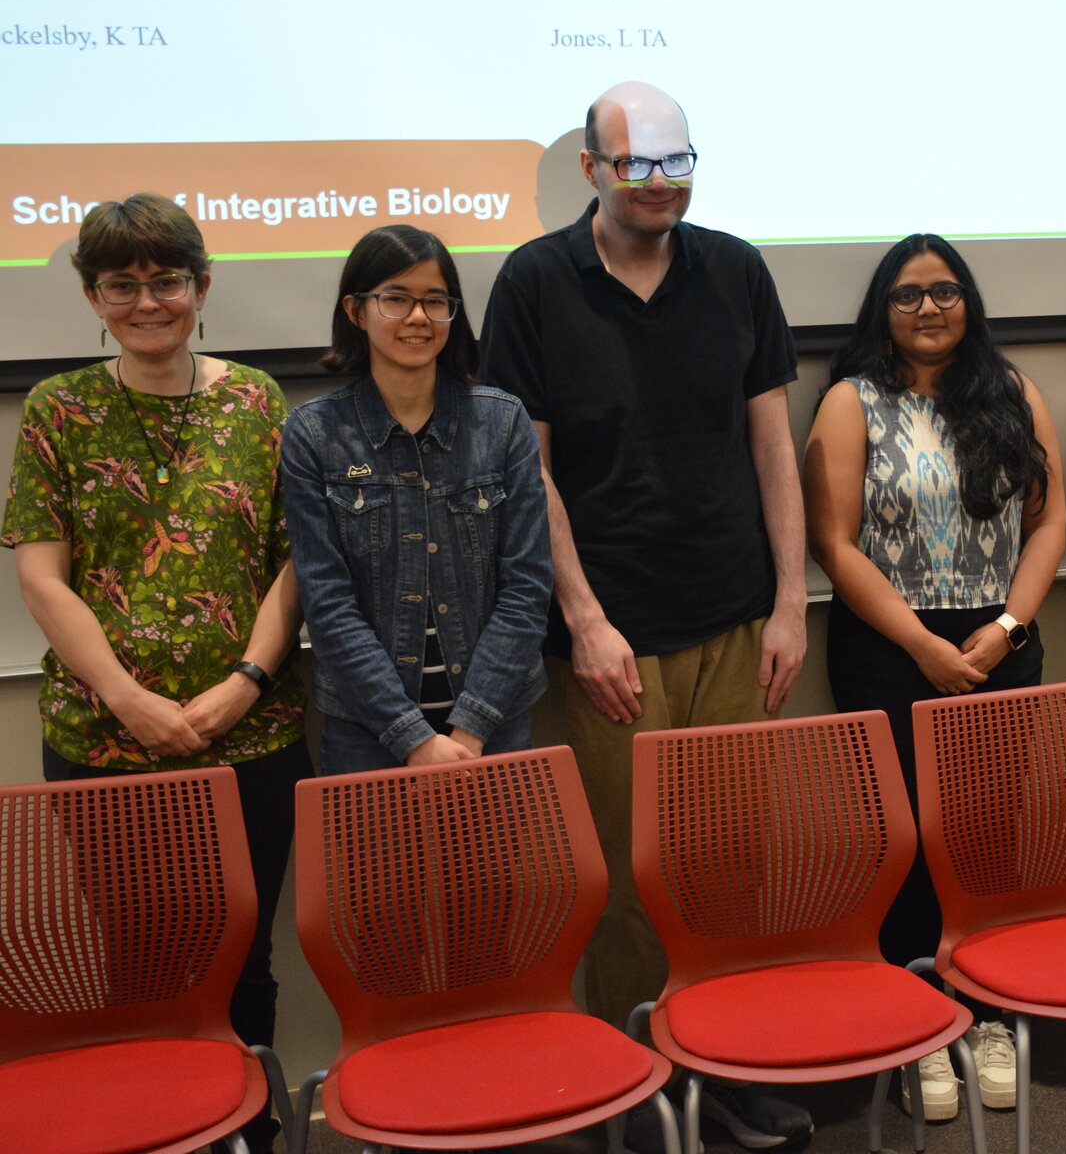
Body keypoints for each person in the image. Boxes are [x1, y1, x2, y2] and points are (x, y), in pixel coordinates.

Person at [478, 82, 812, 1150]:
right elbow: (527, 472)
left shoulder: (737, 269)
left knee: (729, 863)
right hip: (610, 638)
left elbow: (773, 445)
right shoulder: (534, 283)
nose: (660, 184)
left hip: (735, 619)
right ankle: (638, 1087)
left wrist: (789, 604)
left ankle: (729, 1067)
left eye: (678, 163)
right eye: (636, 165)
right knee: (625, 880)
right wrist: (583, 620)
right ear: (592, 169)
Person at [2, 193, 309, 1154]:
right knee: (140, 967)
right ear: (92, 298)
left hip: (251, 739)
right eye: (121, 285)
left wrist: (246, 683)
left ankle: (248, 1133)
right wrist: (129, 699)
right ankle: (168, 1132)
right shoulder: (58, 409)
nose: (147, 302)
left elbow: (296, 561)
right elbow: (41, 576)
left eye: (166, 281)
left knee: (244, 962)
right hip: (104, 743)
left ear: (201, 287)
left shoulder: (257, 399)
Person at [803, 233, 1065, 1121]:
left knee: (987, 840)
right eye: (909, 294)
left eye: (945, 291)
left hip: (1000, 642)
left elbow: (1049, 523)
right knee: (908, 843)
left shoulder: (1013, 392)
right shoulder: (851, 401)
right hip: (888, 648)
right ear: (883, 308)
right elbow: (834, 543)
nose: (928, 308)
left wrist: (1007, 629)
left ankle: (985, 1015)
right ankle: (919, 1025)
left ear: (968, 302)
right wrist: (922, 646)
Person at [282, 225, 552, 773]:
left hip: (493, 727)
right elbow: (327, 604)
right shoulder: (313, 434)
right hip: (367, 735)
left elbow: (527, 589)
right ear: (356, 311)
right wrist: (412, 738)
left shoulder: (503, 423)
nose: (418, 317)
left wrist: (470, 728)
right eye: (396, 299)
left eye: (435, 301)